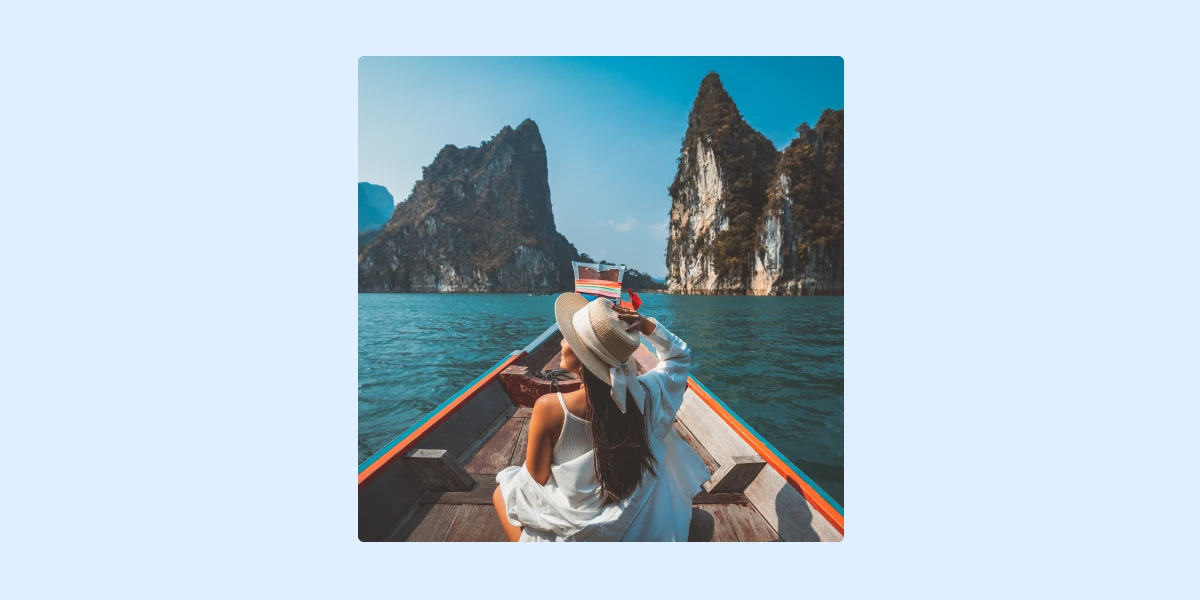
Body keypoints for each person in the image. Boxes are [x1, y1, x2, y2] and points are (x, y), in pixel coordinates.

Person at [491, 292, 711, 541]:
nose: (561, 342)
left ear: (585, 356)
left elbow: (536, 479)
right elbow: (679, 357)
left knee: (503, 489)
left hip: (581, 531)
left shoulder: (550, 407)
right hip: (626, 514)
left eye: (569, 338)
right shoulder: (647, 395)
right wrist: (648, 326)